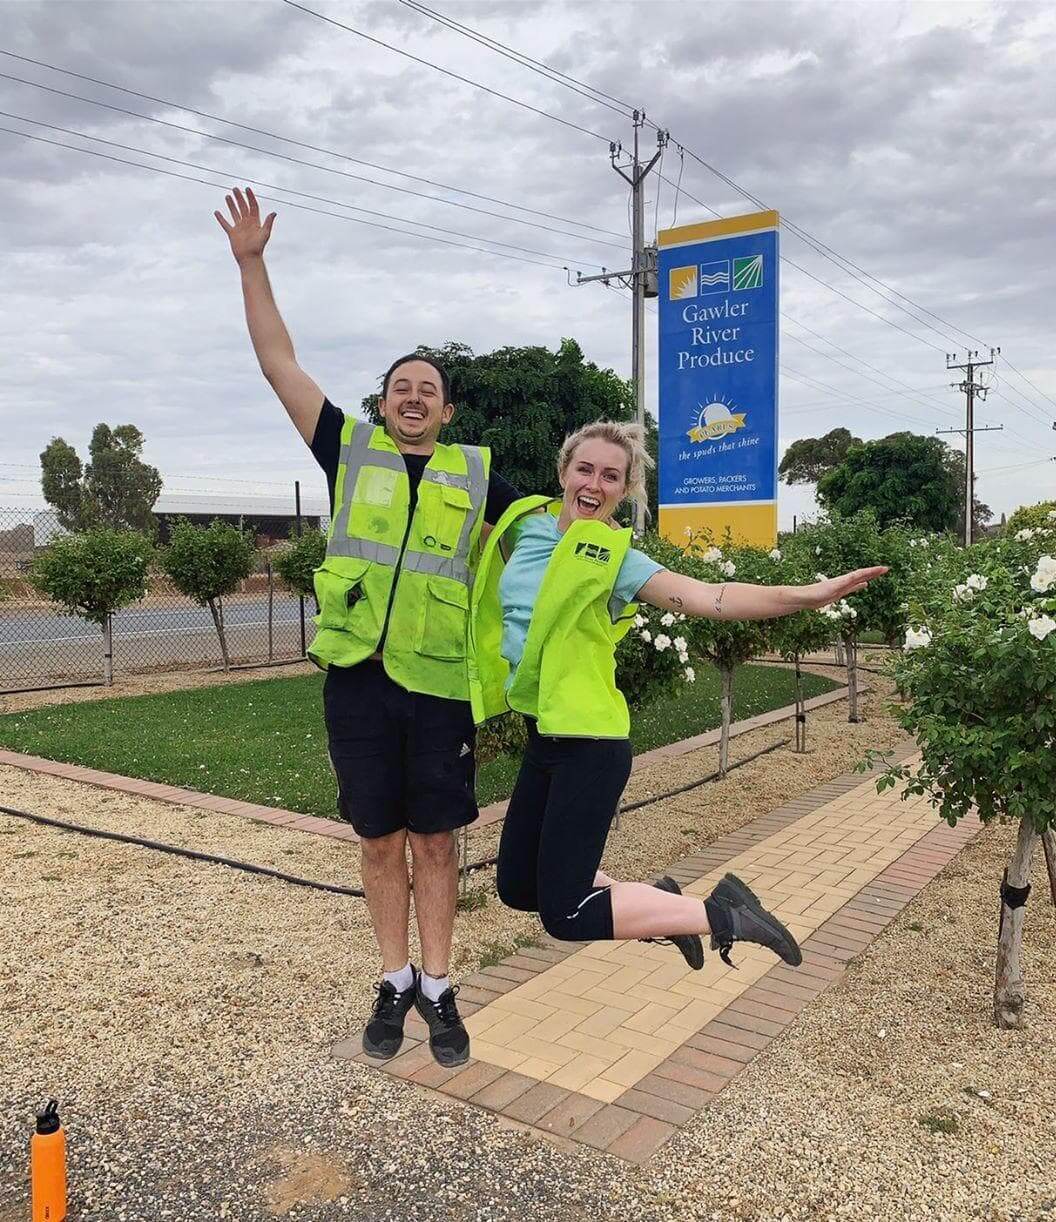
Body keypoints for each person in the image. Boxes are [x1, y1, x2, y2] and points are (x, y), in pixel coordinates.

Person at [216, 187, 523, 1067]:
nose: (414, 397)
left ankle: (438, 983)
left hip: (438, 691)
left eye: (429, 389)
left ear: (448, 410)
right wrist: (252, 263)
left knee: (437, 838)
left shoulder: (479, 478)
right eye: (401, 387)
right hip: (359, 682)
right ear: (383, 403)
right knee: (378, 839)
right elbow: (279, 364)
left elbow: (552, 530)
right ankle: (392, 980)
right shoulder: (346, 450)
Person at [467, 420, 888, 965]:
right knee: (518, 886)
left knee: (565, 914)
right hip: (543, 735)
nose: (594, 484)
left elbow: (709, 596)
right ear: (564, 472)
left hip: (589, 744)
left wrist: (805, 597)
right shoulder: (525, 525)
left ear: (627, 490)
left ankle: (724, 914)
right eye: (585, 469)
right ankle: (659, 903)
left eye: (612, 477)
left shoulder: (615, 557)